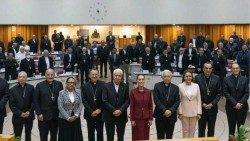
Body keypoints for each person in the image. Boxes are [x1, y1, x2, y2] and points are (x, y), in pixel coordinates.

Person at [34, 69, 63, 141]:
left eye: (52, 75)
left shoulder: (59, 84)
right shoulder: (39, 85)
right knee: (43, 136)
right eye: (48, 75)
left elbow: (62, 99)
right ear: (45, 75)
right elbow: (35, 100)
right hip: (43, 116)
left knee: (54, 136)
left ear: (54, 75)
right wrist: (38, 113)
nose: (50, 76)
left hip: (55, 115)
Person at [194, 63, 221, 137]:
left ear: (212, 69)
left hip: (213, 108)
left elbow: (219, 93)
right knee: (201, 129)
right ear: (203, 69)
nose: (208, 70)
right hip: (201, 108)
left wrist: (212, 104)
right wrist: (202, 103)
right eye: (206, 68)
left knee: (211, 129)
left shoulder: (217, 78)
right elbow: (195, 93)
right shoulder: (197, 78)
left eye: (210, 68)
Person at [102, 69, 129, 141]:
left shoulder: (125, 86)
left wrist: (120, 110)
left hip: (121, 116)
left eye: (119, 76)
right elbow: (104, 101)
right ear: (113, 76)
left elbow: (127, 100)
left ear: (122, 77)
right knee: (110, 137)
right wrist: (114, 110)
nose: (117, 77)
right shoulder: (106, 86)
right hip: (109, 115)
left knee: (121, 137)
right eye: (116, 75)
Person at [223, 63, 249, 137]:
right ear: (231, 70)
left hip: (242, 108)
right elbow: (225, 93)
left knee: (241, 129)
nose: (235, 70)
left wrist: (240, 103)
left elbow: (246, 93)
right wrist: (235, 104)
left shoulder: (245, 79)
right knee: (231, 129)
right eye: (233, 68)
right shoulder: (226, 79)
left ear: (239, 69)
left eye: (237, 68)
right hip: (231, 107)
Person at [153, 70, 180, 139]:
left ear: (171, 77)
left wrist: (170, 110)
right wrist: (165, 110)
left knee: (169, 136)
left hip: (171, 116)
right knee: (160, 136)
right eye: (165, 76)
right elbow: (156, 100)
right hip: (160, 115)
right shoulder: (157, 86)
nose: (167, 78)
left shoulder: (175, 88)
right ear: (162, 77)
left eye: (168, 76)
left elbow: (177, 101)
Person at [9, 71, 35, 141]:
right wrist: (20, 113)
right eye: (20, 77)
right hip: (17, 117)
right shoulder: (12, 90)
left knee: (28, 133)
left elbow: (33, 102)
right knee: (17, 136)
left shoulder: (31, 88)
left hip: (29, 116)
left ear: (26, 78)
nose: (22, 78)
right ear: (17, 78)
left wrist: (29, 112)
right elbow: (12, 105)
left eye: (24, 77)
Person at [82, 69, 105, 141]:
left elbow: (105, 99)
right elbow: (84, 100)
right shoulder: (85, 86)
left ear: (98, 75)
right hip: (89, 114)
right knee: (90, 132)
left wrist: (100, 109)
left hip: (100, 113)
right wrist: (91, 111)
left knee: (100, 132)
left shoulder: (103, 84)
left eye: (96, 74)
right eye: (93, 74)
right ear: (89, 75)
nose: (94, 76)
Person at [58, 77, 83, 141]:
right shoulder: (61, 93)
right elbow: (60, 106)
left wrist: (76, 115)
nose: (71, 84)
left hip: (75, 118)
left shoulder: (78, 92)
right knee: (66, 137)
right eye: (69, 82)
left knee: (76, 137)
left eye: (73, 83)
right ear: (66, 83)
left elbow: (80, 104)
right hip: (64, 119)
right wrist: (68, 117)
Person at [178, 70, 202, 138]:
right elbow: (179, 100)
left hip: (194, 112)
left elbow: (199, 99)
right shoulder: (180, 86)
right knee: (185, 130)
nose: (188, 78)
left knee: (192, 130)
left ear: (192, 77)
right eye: (186, 76)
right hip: (184, 112)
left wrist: (199, 112)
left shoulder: (196, 86)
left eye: (190, 76)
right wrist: (180, 112)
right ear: (184, 77)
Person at [130, 74, 153, 140]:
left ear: (144, 81)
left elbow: (150, 106)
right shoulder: (133, 92)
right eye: (139, 79)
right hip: (136, 118)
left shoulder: (148, 92)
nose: (141, 81)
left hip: (146, 118)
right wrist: (132, 119)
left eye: (142, 79)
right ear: (137, 80)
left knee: (145, 136)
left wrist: (151, 118)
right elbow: (132, 107)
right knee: (136, 136)